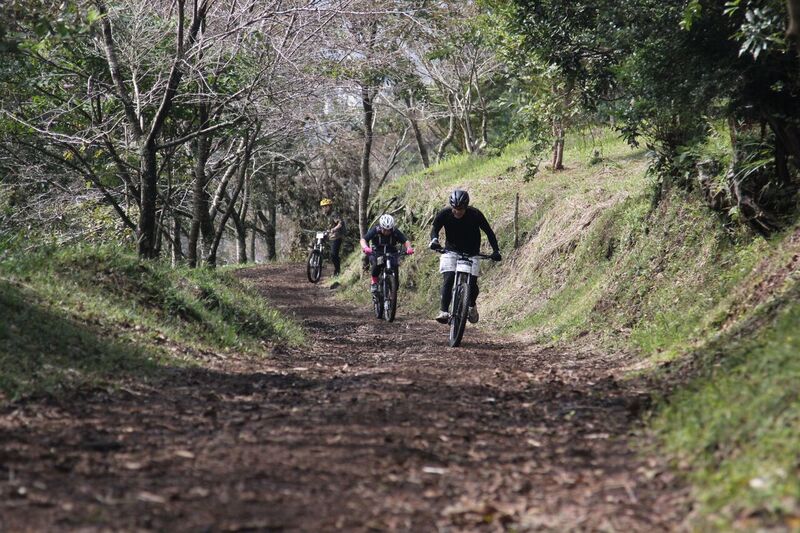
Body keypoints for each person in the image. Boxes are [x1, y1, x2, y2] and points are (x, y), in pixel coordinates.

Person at [429, 189, 501, 324]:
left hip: (472, 252)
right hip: (451, 251)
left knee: (472, 285)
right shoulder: (445, 214)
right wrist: (434, 240)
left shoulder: (476, 214)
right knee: (449, 278)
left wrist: (496, 250)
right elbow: (435, 228)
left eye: (460, 209)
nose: (457, 211)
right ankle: (444, 311)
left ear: (466, 206)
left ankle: (471, 306)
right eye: (455, 208)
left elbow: (489, 232)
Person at [360, 214, 414, 293]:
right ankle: (374, 282)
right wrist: (365, 248)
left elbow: (405, 241)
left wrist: (409, 248)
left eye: (389, 230)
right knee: (377, 264)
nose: (387, 232)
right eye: (384, 229)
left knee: (395, 268)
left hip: (392, 253)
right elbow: (363, 240)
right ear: (381, 227)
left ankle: (393, 290)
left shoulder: (395, 231)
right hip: (377, 252)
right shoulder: (375, 230)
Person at [320, 198, 345, 276]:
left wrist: (334, 229)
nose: (324, 208)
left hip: (336, 236)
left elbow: (340, 223)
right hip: (330, 236)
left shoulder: (334, 214)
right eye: (322, 207)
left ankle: (337, 271)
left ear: (329, 207)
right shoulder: (326, 215)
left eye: (325, 206)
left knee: (334, 255)